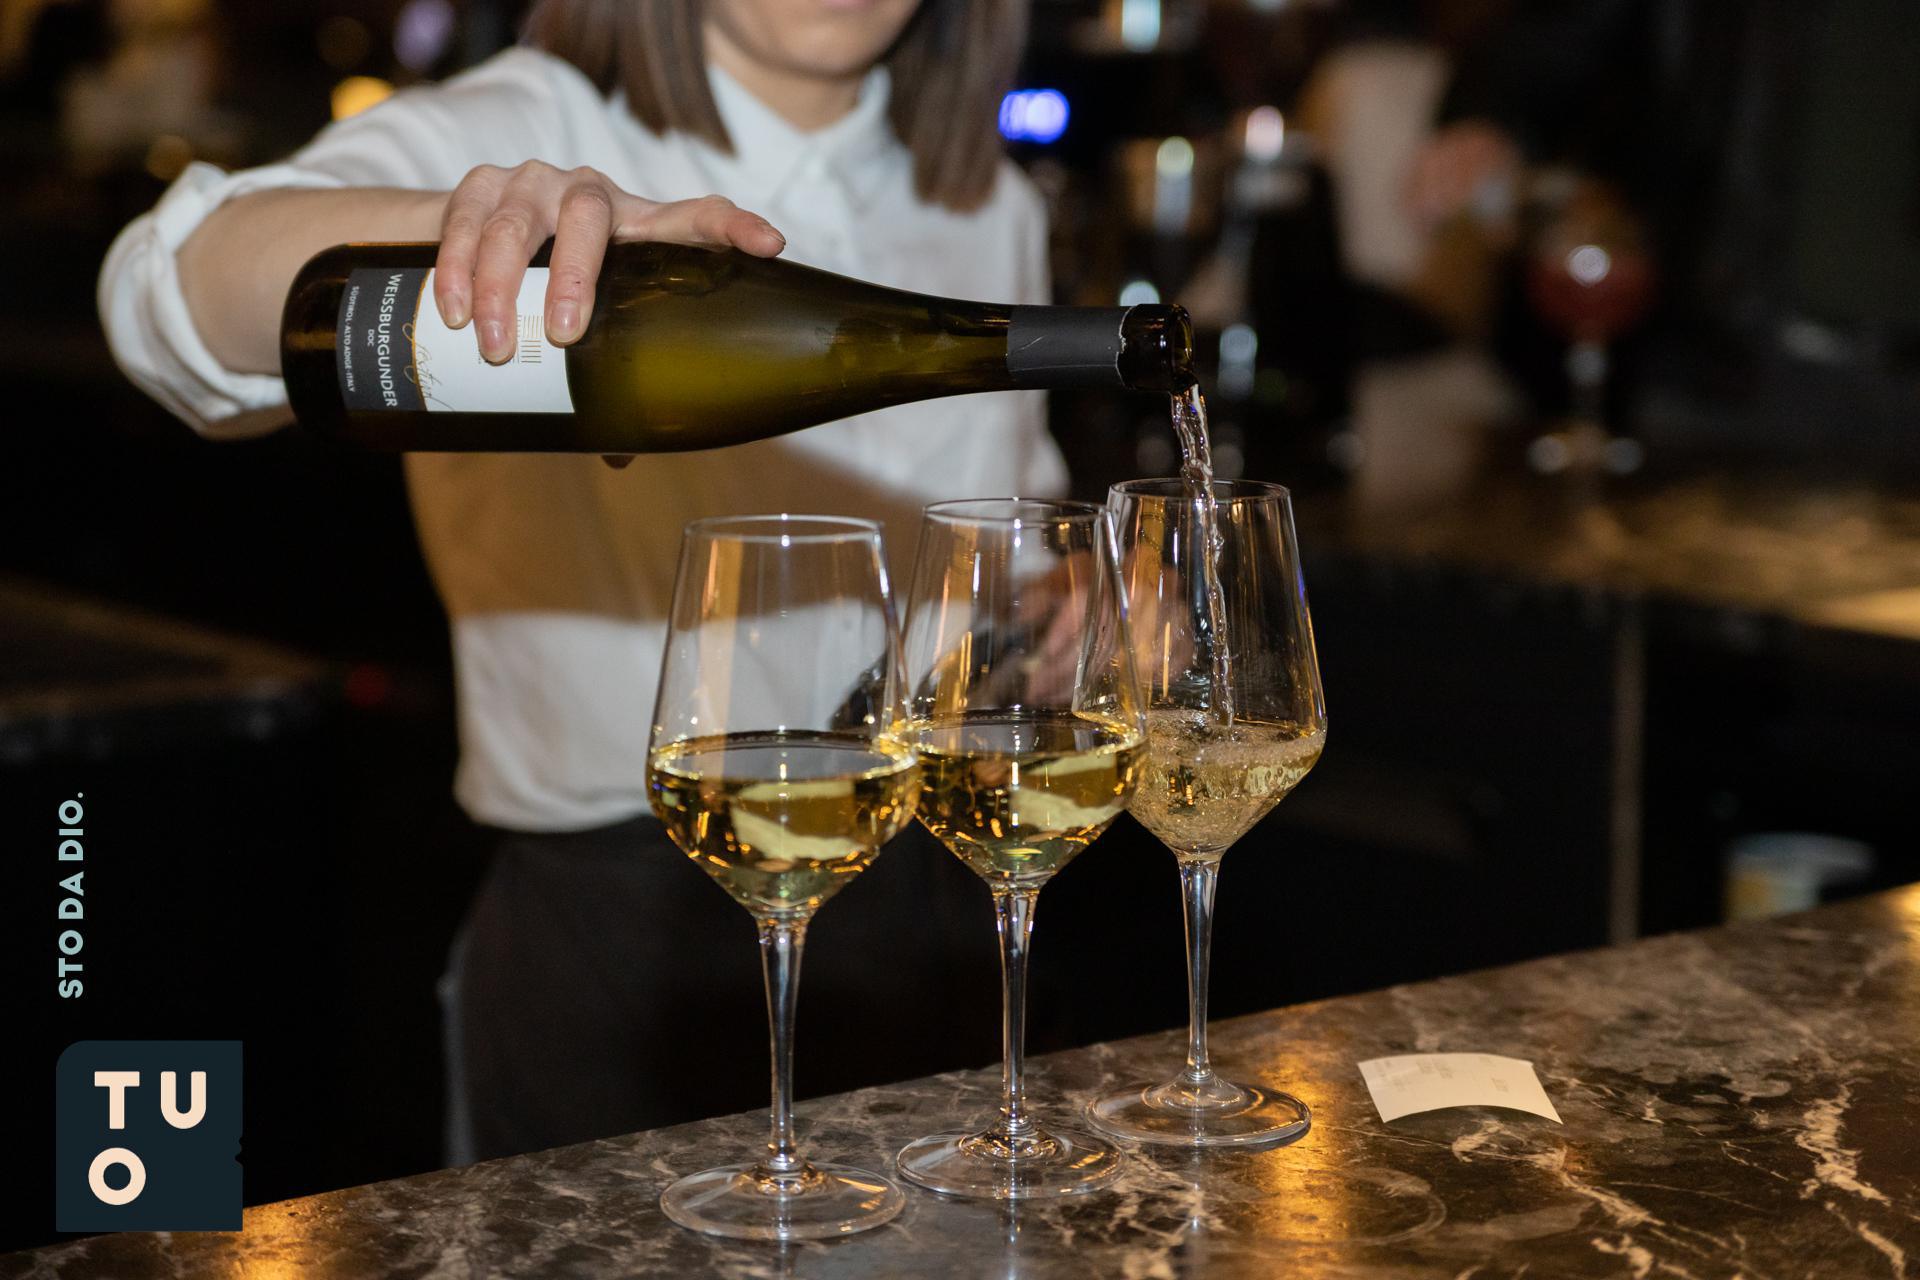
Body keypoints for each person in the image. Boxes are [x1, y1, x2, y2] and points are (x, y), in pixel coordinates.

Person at [98, 0, 1058, 1162]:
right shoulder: (529, 125)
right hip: (616, 929)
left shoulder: (987, 202)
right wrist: (464, 229)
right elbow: (158, 294)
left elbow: (1000, 550)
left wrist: (1061, 608)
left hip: (928, 909)